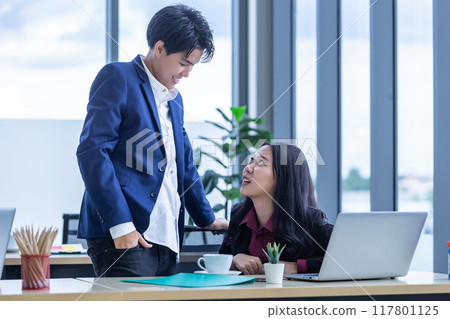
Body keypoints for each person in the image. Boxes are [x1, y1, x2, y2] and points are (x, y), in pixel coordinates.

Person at [76, 4, 227, 277]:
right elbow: (92, 151)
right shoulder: (118, 78)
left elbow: (184, 164)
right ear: (159, 48)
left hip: (166, 237)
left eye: (192, 66)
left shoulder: (175, 100)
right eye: (184, 63)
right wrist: (121, 225)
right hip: (124, 235)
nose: (187, 74)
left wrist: (207, 218)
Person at [219, 142, 333, 275]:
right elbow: (220, 260)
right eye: (251, 160)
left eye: (261, 162)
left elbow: (345, 259)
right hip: (246, 295)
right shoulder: (239, 215)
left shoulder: (309, 220)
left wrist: (297, 267)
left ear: (283, 176)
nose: (248, 168)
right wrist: (235, 259)